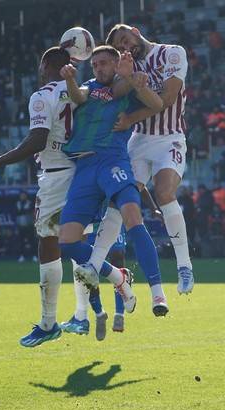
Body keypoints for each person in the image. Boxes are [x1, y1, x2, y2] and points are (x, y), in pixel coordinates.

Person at [0, 46, 82, 346]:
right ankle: (85, 314)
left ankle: (48, 323)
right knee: (83, 243)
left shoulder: (42, 95)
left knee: (48, 243)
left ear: (46, 65)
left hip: (57, 176)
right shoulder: (82, 91)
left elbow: (38, 138)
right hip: (85, 173)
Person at [56, 46, 169, 318]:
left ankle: (158, 292)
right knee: (67, 242)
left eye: (104, 63)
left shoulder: (126, 86)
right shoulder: (88, 87)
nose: (99, 68)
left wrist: (130, 78)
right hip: (83, 167)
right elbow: (78, 96)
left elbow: (156, 104)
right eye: (95, 64)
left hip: (112, 161)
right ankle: (118, 276)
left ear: (116, 64)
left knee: (133, 217)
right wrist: (71, 78)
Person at [88, 23, 194, 295]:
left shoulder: (172, 53)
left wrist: (131, 117)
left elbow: (168, 99)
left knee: (164, 191)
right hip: (140, 139)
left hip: (170, 136)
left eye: (125, 39)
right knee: (118, 200)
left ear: (135, 31)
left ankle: (184, 265)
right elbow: (114, 93)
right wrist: (123, 79)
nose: (126, 47)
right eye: (120, 47)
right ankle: (94, 263)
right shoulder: (126, 65)